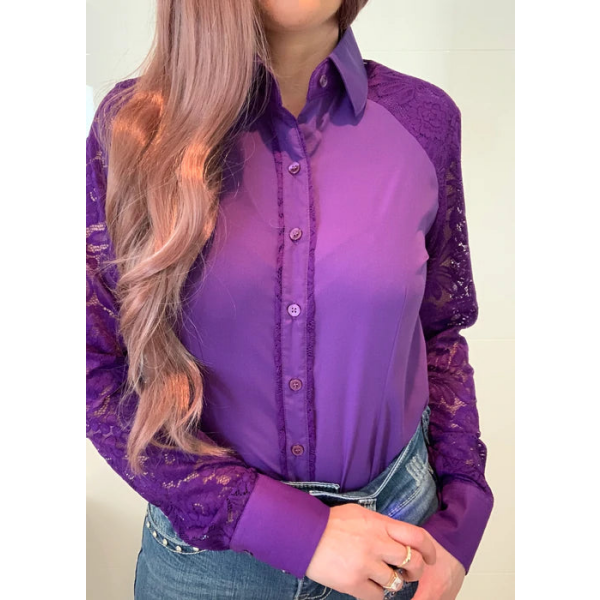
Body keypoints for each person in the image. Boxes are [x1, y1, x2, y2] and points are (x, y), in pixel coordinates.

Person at [86, 1, 495, 598]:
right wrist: (292, 529)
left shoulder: (425, 120)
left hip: (400, 541)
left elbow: (439, 332)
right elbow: (93, 367)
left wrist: (462, 516)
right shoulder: (133, 128)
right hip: (211, 566)